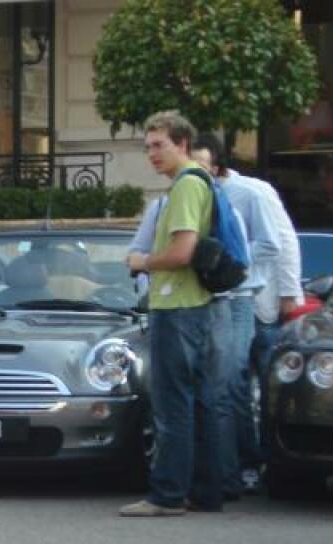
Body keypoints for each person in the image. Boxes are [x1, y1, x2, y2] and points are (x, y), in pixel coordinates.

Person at [120, 111, 229, 518]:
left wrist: (142, 260)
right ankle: (206, 489)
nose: (151, 154)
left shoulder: (185, 187)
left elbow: (182, 252)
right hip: (195, 305)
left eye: (159, 145)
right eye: (147, 146)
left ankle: (167, 494)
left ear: (182, 143)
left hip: (177, 305)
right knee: (199, 401)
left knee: (172, 405)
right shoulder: (202, 182)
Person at [190, 134, 280, 499]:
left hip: (239, 296)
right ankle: (228, 468)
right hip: (205, 299)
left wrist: (227, 260)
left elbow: (272, 244)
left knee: (230, 385)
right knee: (220, 388)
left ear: (217, 165)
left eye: (201, 165)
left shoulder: (249, 194)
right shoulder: (187, 197)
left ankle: (242, 467)